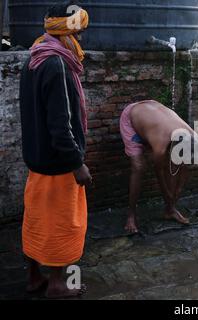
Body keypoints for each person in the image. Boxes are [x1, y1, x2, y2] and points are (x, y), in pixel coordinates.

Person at [19, 2, 91, 298]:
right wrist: (77, 164)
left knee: (37, 222)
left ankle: (35, 277)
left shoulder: (34, 57)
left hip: (37, 161)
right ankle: (59, 284)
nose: (82, 39)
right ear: (68, 32)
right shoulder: (57, 63)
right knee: (63, 225)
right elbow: (61, 125)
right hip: (59, 164)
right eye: (80, 32)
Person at [120, 100, 198, 233]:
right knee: (139, 168)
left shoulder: (193, 138)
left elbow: (186, 166)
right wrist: (168, 194)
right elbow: (159, 173)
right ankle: (131, 215)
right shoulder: (161, 145)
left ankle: (170, 210)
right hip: (132, 118)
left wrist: (178, 191)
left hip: (153, 112)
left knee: (175, 165)